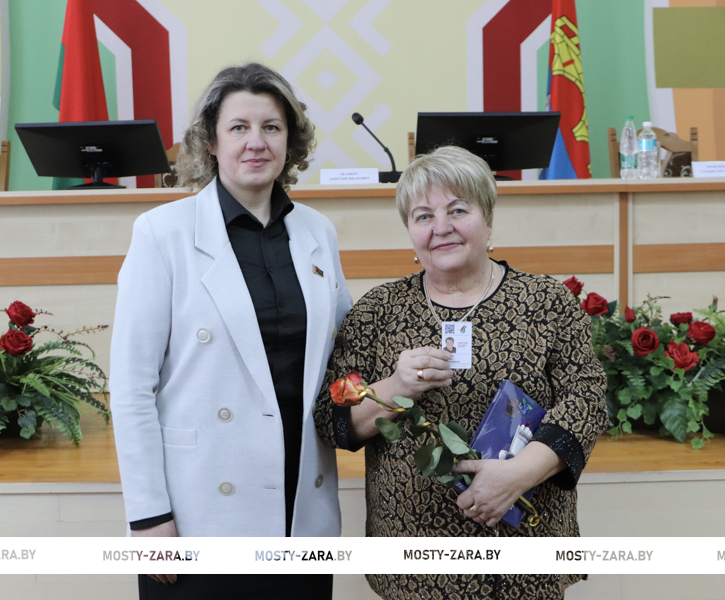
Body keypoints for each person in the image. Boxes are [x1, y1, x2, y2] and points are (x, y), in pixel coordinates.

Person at [313, 146, 609, 600]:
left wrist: (519, 474)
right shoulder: (378, 312)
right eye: (423, 216)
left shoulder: (545, 301)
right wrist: (395, 388)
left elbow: (586, 400)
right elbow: (331, 417)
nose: (441, 227)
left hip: (525, 554)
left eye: (457, 210)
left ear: (488, 219)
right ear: (410, 231)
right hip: (413, 562)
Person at [110, 62, 351, 599]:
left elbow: (345, 356)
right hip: (199, 512)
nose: (255, 142)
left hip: (302, 507)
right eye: (239, 127)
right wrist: (148, 516)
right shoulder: (161, 234)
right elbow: (130, 388)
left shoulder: (318, 232)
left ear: (290, 141)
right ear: (211, 142)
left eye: (271, 127)